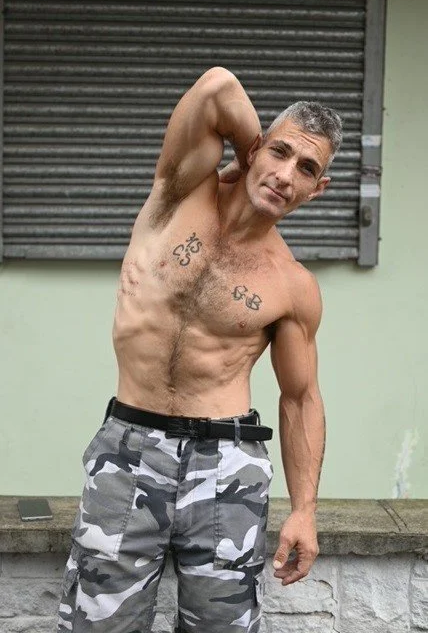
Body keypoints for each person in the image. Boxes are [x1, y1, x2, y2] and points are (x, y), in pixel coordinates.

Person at [58, 67, 342, 633]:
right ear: (256, 146)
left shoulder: (292, 286)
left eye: (306, 169)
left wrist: (305, 511)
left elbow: (300, 398)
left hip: (227, 465)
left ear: (318, 189)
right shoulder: (180, 193)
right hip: (129, 449)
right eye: (280, 152)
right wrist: (249, 156)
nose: (286, 175)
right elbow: (216, 86)